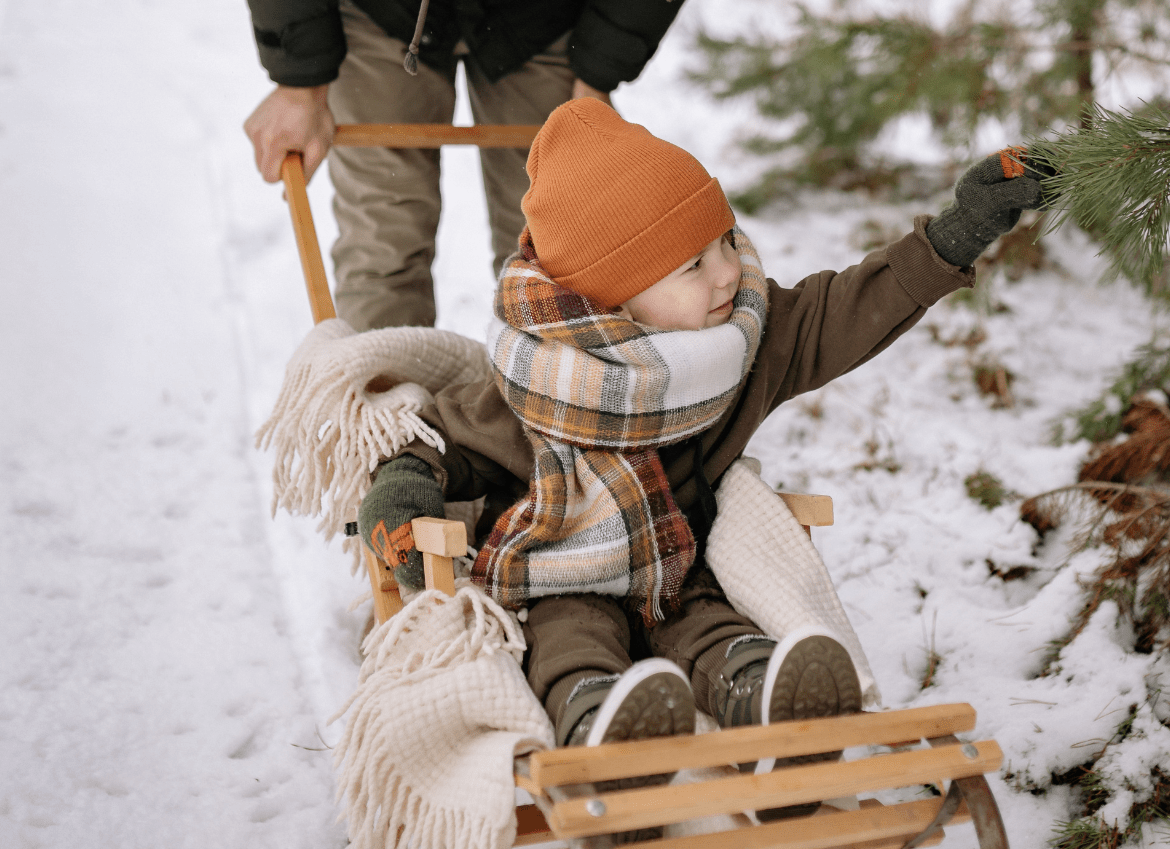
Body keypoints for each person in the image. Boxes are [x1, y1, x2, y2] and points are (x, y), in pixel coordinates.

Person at [354, 99, 1050, 821]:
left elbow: (843, 310)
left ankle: (771, 711)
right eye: (694, 264)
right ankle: (600, 737)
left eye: (724, 240)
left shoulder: (740, 345)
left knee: (716, 629)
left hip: (677, 568)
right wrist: (401, 490)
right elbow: (435, 440)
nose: (729, 274)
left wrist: (956, 234)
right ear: (611, 300)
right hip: (559, 576)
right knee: (568, 644)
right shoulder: (531, 383)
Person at [228, 0, 742, 331]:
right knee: (384, 240)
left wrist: (603, 62)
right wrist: (301, 76)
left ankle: (560, 427)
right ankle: (389, 433)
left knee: (560, 259)